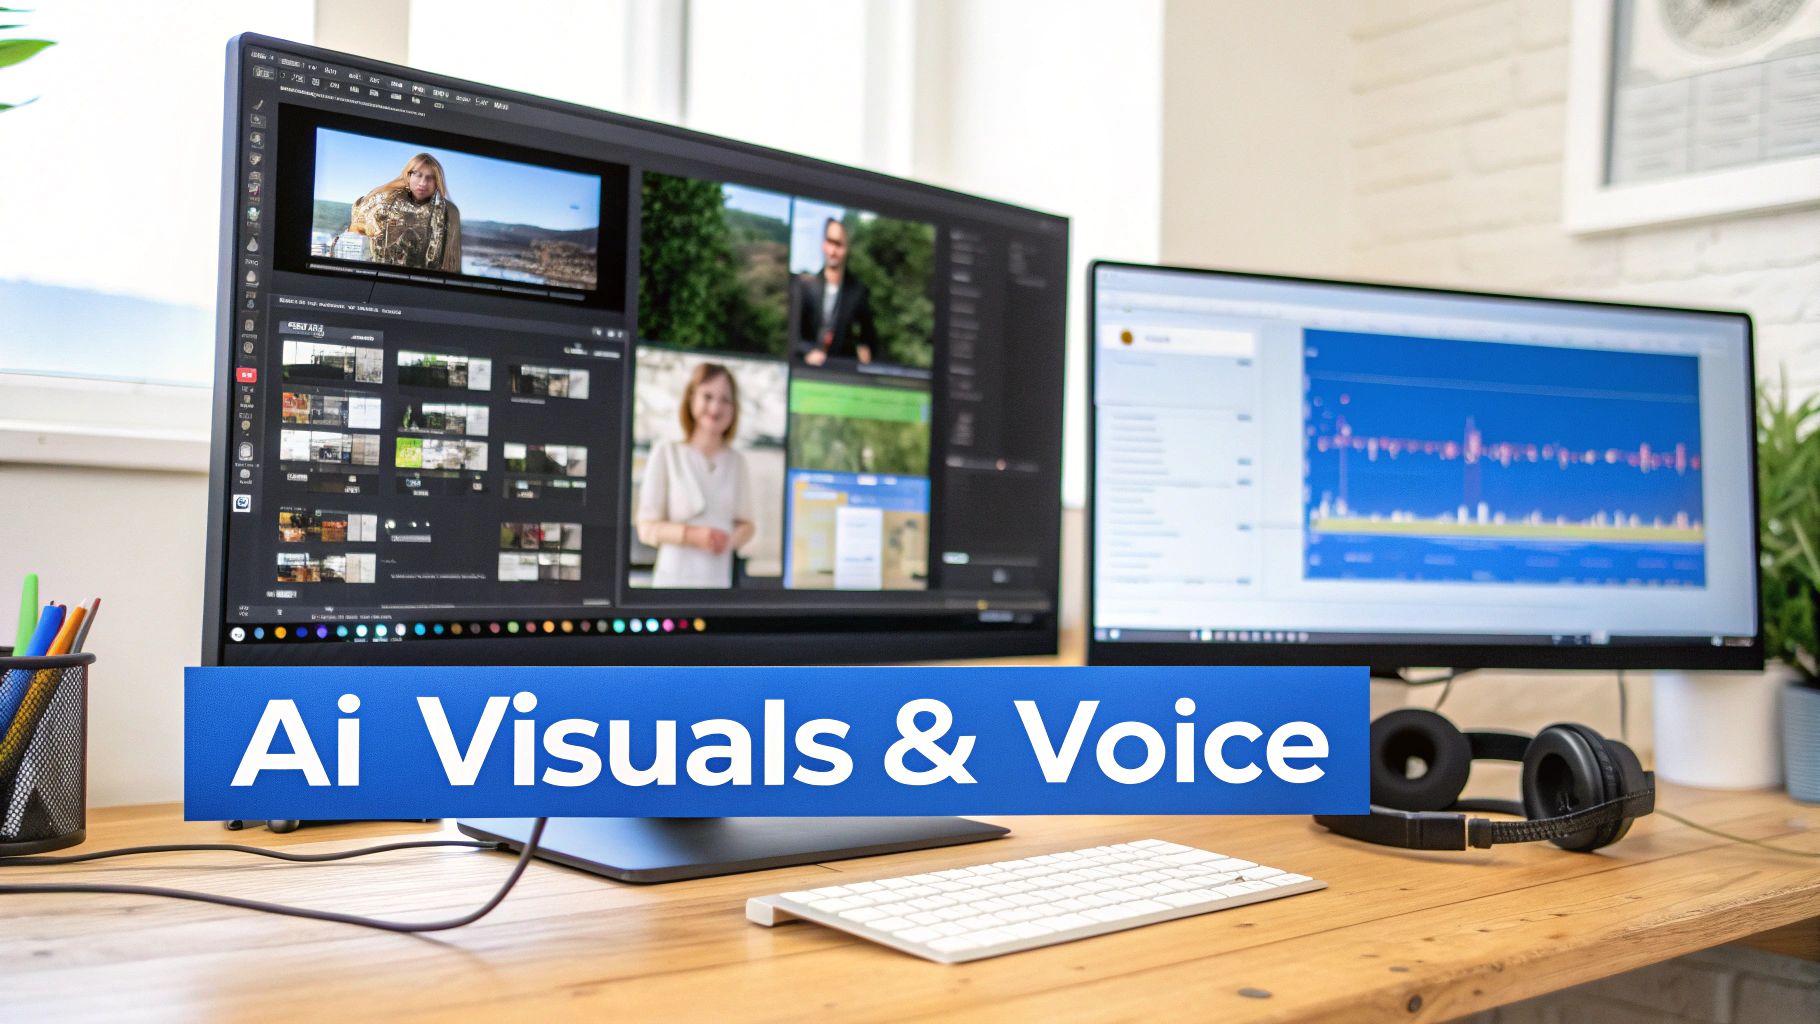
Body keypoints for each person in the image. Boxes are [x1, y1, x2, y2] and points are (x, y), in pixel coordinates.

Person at [636, 362, 756, 588]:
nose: (715, 408)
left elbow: (747, 524)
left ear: (734, 408)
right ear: (691, 399)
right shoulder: (667, 452)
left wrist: (728, 541)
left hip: (718, 583)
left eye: (725, 400)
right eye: (707, 396)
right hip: (673, 584)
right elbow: (646, 528)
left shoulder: (737, 462)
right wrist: (695, 536)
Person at [346, 152, 462, 272]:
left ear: (437, 181)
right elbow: (355, 229)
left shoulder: (449, 212)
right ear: (409, 175)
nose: (422, 183)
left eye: (430, 177)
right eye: (418, 175)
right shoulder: (384, 201)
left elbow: (452, 264)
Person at [791, 217, 877, 365]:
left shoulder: (858, 292)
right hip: (806, 369)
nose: (833, 251)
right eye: (830, 242)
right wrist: (808, 352)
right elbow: (794, 336)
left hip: (840, 371)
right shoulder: (805, 286)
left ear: (847, 247)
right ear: (823, 244)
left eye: (839, 244)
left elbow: (868, 339)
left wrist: (864, 354)